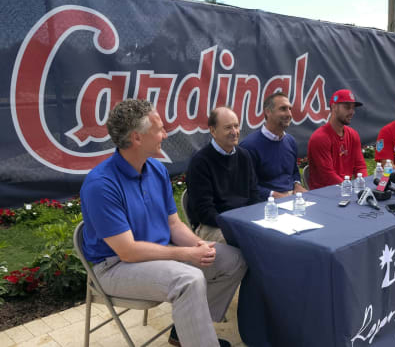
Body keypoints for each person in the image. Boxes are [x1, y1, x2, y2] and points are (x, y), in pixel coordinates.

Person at [80, 99, 246, 347]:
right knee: (188, 279)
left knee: (234, 259)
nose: (165, 134)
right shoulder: (101, 185)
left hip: (155, 255)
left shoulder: (156, 170)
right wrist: (186, 255)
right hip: (113, 267)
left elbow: (174, 225)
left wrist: (200, 246)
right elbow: (128, 251)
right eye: (159, 129)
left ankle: (188, 330)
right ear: (137, 138)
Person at [186, 107, 260, 243]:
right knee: (251, 242)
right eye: (228, 128)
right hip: (213, 226)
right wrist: (236, 224)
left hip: (243, 221)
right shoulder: (200, 162)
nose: (234, 132)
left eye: (236, 126)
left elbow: (254, 194)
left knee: (273, 237)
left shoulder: (244, 156)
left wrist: (249, 220)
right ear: (213, 131)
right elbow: (205, 212)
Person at [240, 92, 307, 200]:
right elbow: (246, 185)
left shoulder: (291, 141)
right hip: (266, 206)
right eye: (283, 109)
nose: (289, 114)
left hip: (293, 200)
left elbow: (294, 172)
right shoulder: (248, 146)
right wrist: (274, 195)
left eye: (290, 109)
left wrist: (297, 185)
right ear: (268, 112)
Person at [307, 89, 367, 189]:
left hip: (345, 190)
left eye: (353, 108)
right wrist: (350, 189)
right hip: (323, 194)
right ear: (334, 107)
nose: (352, 112)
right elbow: (327, 176)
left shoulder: (353, 134)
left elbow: (360, 166)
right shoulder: (319, 138)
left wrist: (362, 187)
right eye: (347, 107)